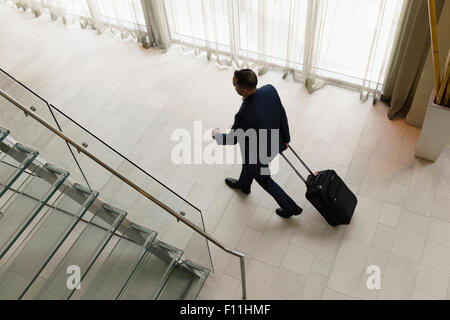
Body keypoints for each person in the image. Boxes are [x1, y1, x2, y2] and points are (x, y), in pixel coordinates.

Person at [212, 69, 302, 218]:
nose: (233, 86)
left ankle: (291, 207)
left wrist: (215, 134)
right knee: (248, 165)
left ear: (244, 90)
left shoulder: (244, 114)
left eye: (234, 85)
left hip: (259, 155)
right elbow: (282, 114)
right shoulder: (269, 90)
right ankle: (244, 185)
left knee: (265, 180)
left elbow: (232, 139)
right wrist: (286, 139)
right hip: (274, 143)